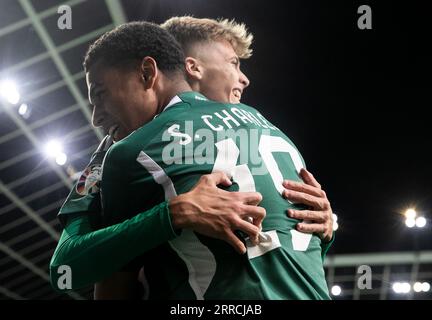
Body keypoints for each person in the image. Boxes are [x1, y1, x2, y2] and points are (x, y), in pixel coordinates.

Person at [87, 21, 330, 299]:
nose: (243, 78)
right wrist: (326, 232)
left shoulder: (132, 149)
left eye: (99, 95)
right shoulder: (274, 130)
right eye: (234, 63)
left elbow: (98, 278)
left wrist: (169, 217)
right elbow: (301, 249)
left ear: (149, 72)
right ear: (191, 67)